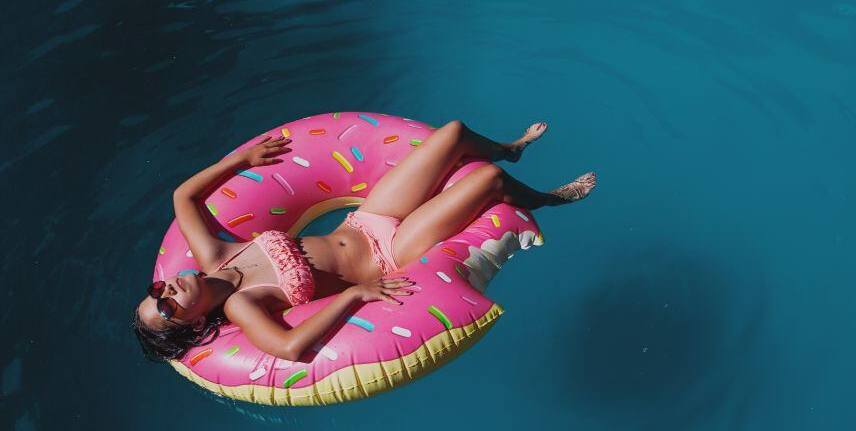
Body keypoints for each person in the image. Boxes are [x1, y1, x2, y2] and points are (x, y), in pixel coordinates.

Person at [133, 119, 596, 362]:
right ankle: (550, 200)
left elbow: (182, 195)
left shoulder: (216, 254)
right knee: (486, 182)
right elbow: (289, 348)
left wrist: (242, 159)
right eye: (167, 308)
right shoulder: (241, 307)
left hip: (365, 222)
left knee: (453, 134)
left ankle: (510, 146)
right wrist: (354, 294)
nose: (168, 292)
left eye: (158, 292)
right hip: (390, 255)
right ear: (191, 324)